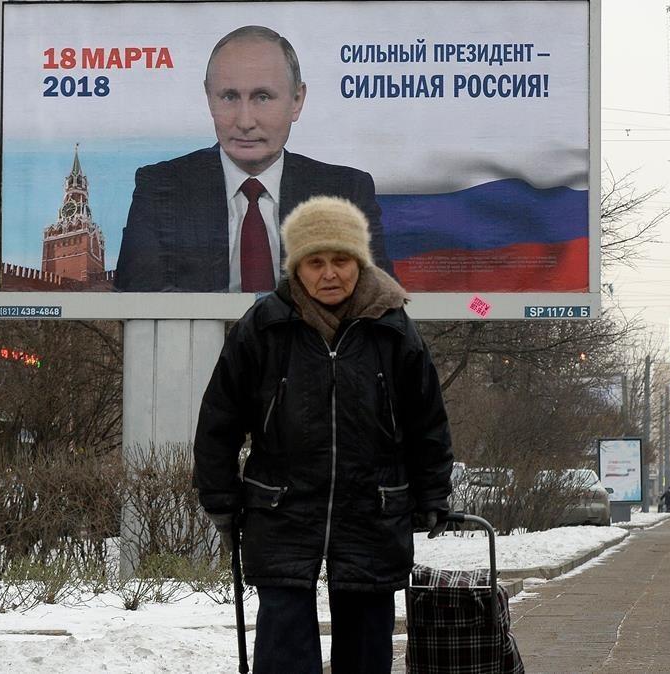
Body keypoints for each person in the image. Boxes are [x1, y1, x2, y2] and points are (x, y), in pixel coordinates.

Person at [193, 196, 453, 672]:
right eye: (316, 262)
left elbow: (427, 423)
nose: (330, 274)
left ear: (359, 261)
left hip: (372, 509)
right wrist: (218, 494)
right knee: (284, 642)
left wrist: (432, 491)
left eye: (342, 260)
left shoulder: (394, 330)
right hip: (282, 508)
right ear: (297, 268)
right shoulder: (264, 327)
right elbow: (220, 418)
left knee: (367, 645)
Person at [114, 25, 393, 292]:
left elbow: (377, 301)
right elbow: (137, 300)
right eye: (229, 97)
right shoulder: (161, 189)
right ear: (210, 99)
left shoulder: (345, 192)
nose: (245, 121)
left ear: (296, 100)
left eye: (262, 97)